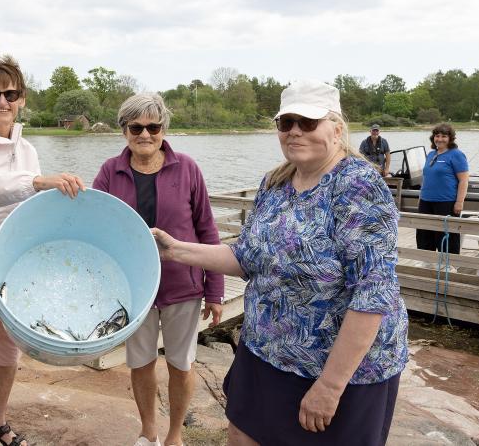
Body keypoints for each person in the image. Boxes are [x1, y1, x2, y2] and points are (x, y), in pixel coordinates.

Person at [152, 79, 408, 446]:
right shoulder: (275, 183)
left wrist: (330, 386)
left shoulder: (358, 186)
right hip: (266, 351)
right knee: (241, 435)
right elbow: (246, 258)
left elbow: (373, 295)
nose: (294, 132)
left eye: (307, 122)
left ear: (336, 129)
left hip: (339, 370)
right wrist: (174, 249)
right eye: (285, 123)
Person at [0, 55, 84, 446]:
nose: (2, 102)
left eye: (11, 94)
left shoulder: (26, 148)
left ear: (22, 98)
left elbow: (30, 209)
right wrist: (38, 182)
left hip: (13, 262)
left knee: (9, 349)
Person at [93, 94, 224, 446]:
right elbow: (94, 228)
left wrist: (215, 290)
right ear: (125, 130)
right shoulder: (109, 171)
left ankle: (175, 435)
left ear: (164, 128)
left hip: (183, 286)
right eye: (136, 127)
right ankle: (148, 430)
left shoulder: (188, 168)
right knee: (141, 363)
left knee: (182, 364)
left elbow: (207, 229)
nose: (145, 134)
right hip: (133, 288)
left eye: (153, 127)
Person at [416, 123, 469, 254]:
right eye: (437, 136)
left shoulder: (456, 155)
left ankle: (449, 268)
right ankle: (427, 265)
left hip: (446, 203)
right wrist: (420, 197)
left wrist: (459, 202)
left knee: (446, 238)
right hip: (426, 202)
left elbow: (464, 180)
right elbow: (427, 177)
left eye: (444, 136)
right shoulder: (431, 154)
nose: (439, 139)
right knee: (424, 236)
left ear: (450, 138)